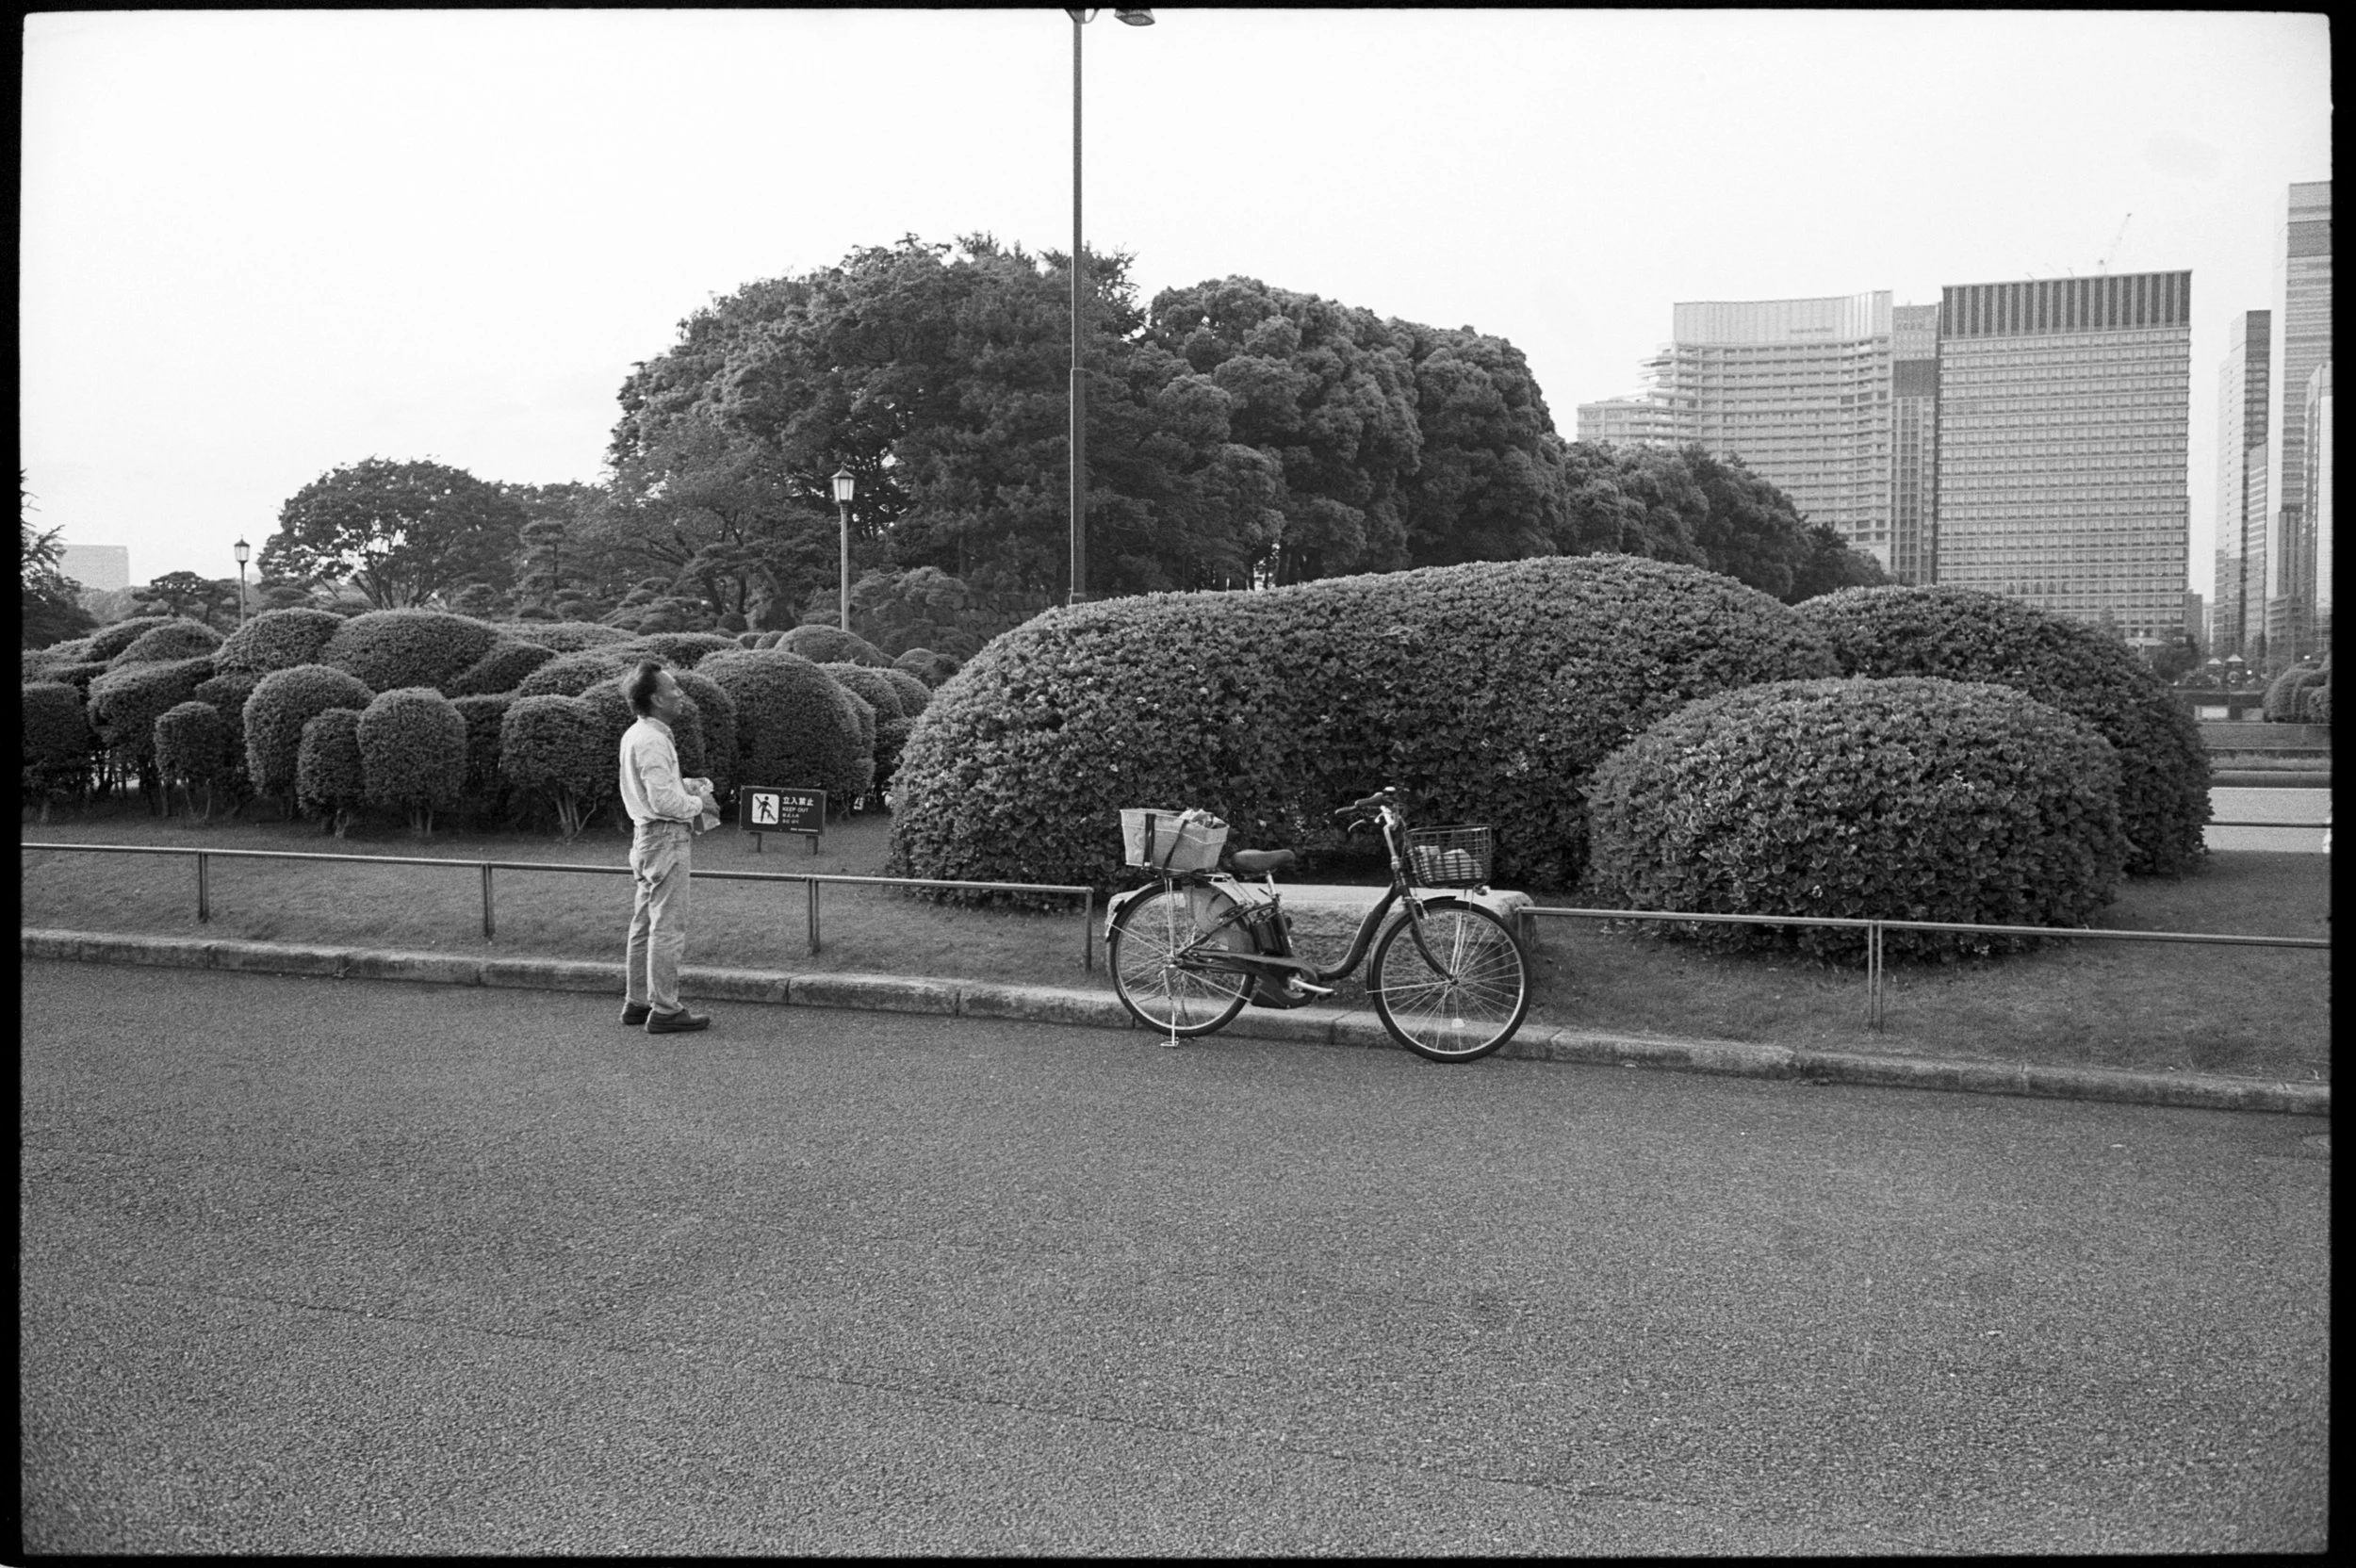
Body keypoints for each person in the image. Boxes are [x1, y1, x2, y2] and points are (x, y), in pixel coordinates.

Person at [618, 660, 721, 1034]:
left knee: (643, 923)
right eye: (674, 689)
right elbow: (664, 803)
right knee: (668, 926)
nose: (681, 695)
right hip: (665, 837)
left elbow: (656, 790)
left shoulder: (637, 734)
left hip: (645, 839)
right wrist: (700, 803)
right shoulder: (653, 741)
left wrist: (687, 785)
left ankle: (637, 1002)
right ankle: (665, 1009)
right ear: (656, 699)